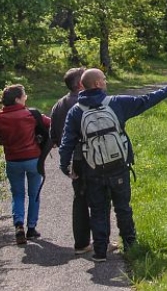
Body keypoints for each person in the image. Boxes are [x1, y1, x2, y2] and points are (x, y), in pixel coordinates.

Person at [59, 68, 167, 262]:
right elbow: (145, 100)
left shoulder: (76, 112)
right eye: (104, 79)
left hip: (92, 168)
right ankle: (130, 245)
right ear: (98, 84)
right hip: (118, 166)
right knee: (123, 207)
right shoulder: (116, 103)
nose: (106, 82)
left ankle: (100, 252)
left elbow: (67, 142)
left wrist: (65, 167)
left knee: (98, 210)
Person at [49, 67, 96, 254]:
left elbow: (53, 135)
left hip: (73, 160)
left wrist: (65, 162)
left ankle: (82, 244)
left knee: (80, 200)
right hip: (91, 158)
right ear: (80, 84)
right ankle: (102, 242)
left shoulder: (58, 104)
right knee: (98, 200)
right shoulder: (85, 104)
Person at [0, 84, 51, 245]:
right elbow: (51, 124)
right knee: (34, 194)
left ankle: (18, 224)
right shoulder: (31, 114)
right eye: (24, 96)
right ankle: (31, 228)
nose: (25, 98)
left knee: (17, 194)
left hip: (12, 160)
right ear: (17, 99)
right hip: (33, 160)